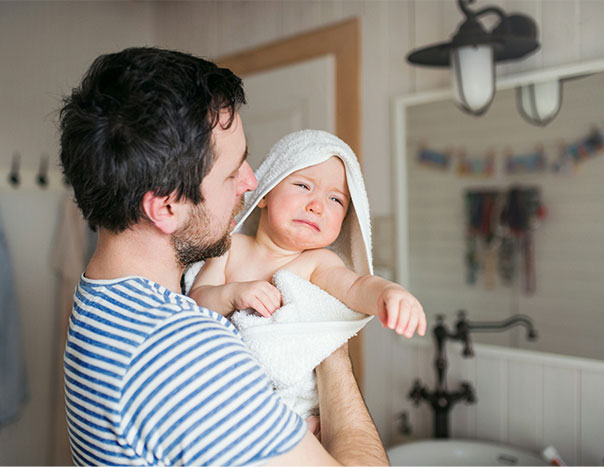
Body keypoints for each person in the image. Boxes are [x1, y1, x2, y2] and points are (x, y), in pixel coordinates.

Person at [59, 47, 388, 466]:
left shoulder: (101, 301)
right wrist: (328, 345)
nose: (251, 182)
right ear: (165, 208)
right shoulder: (183, 353)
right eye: (233, 172)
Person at [190, 130, 427, 339]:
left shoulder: (318, 263)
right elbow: (196, 300)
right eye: (304, 186)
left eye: (335, 199)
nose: (317, 206)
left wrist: (389, 292)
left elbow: (357, 287)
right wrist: (233, 294)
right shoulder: (229, 247)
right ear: (264, 193)